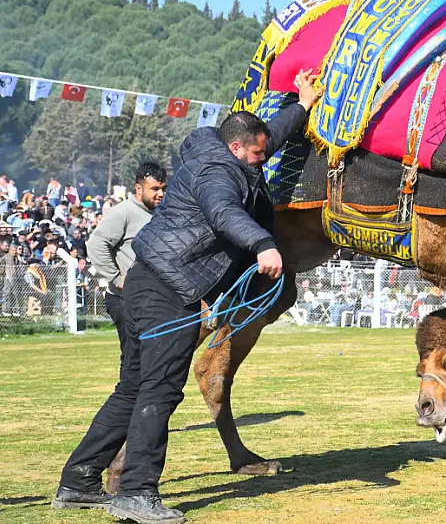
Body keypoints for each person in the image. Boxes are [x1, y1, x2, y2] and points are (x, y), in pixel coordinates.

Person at [53, 70, 319, 524]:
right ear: (237, 148)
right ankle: (137, 492)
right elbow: (222, 211)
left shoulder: (226, 150)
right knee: (159, 389)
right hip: (168, 291)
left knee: (132, 387)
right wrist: (262, 244)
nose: (262, 160)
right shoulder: (218, 172)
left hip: (145, 281)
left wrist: (303, 105)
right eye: (256, 156)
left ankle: (77, 481)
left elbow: (266, 136)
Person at [86, 162, 167, 348]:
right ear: (139, 188)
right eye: (154, 189)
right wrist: (117, 279)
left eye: (163, 188)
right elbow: (96, 246)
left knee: (152, 356)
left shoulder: (161, 213)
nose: (160, 194)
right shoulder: (122, 212)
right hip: (124, 300)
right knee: (134, 358)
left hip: (153, 299)